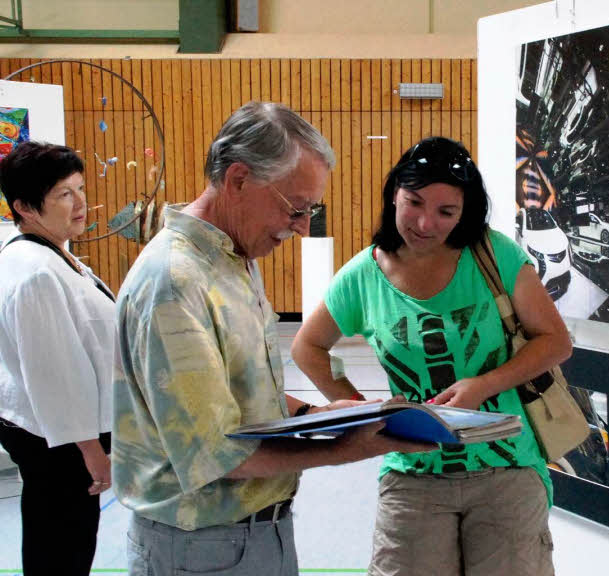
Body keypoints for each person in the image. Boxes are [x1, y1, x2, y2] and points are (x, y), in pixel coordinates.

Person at [111, 101, 431, 576]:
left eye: (310, 210)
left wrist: (315, 415)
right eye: (296, 208)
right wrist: (345, 449)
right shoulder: (176, 280)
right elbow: (214, 453)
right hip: (201, 545)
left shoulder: (231, 257)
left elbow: (230, 390)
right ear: (238, 179)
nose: (302, 227)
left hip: (253, 535)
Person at [291, 136, 572, 576]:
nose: (425, 223)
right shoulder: (365, 274)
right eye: (413, 203)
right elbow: (308, 347)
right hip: (413, 473)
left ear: (466, 212)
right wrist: (363, 411)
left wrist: (484, 386)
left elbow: (555, 341)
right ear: (393, 196)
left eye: (446, 211)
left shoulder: (492, 255)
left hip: (508, 468)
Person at [0, 141, 115, 576]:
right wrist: (91, 450)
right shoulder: (35, 273)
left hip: (60, 438)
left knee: (65, 542)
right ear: (26, 207)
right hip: (62, 445)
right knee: (62, 548)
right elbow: (56, 372)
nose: (81, 203)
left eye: (80, 188)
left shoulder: (53, 253)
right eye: (65, 194)